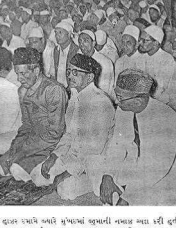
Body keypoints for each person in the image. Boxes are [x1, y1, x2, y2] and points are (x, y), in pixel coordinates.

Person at [30, 53, 115, 201]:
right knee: (37, 174)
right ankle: (70, 177)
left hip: (95, 161)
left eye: (76, 72)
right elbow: (68, 134)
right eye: (68, 71)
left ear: (89, 77)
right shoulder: (75, 97)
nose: (70, 76)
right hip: (73, 156)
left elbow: (94, 148)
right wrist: (54, 156)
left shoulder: (100, 102)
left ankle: (95, 183)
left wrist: (67, 173)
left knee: (65, 191)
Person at [97, 69, 176, 205]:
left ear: (138, 101)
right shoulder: (123, 110)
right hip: (135, 168)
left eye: (120, 97)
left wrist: (128, 198)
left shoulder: (165, 117)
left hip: (163, 177)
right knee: (100, 178)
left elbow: (157, 168)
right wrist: (108, 175)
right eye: (116, 94)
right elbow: (117, 145)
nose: (116, 101)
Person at [0, 47, 67, 182]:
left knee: (16, 170)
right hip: (32, 141)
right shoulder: (23, 91)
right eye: (17, 74)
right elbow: (26, 126)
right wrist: (14, 149)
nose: (19, 78)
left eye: (23, 73)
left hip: (51, 144)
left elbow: (55, 133)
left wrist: (23, 151)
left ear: (37, 70)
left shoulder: (53, 90)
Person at [137, 25, 176, 102]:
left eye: (145, 40)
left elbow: (164, 89)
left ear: (156, 43)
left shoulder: (167, 60)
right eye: (140, 39)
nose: (140, 43)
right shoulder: (140, 58)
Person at [78, 30, 115, 100]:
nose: (81, 44)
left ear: (93, 43)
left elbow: (105, 89)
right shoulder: (79, 59)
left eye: (85, 41)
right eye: (80, 41)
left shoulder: (104, 62)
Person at [49, 21, 79, 88]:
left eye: (60, 32)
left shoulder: (76, 51)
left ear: (68, 35)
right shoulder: (55, 50)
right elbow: (52, 74)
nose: (57, 36)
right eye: (55, 33)